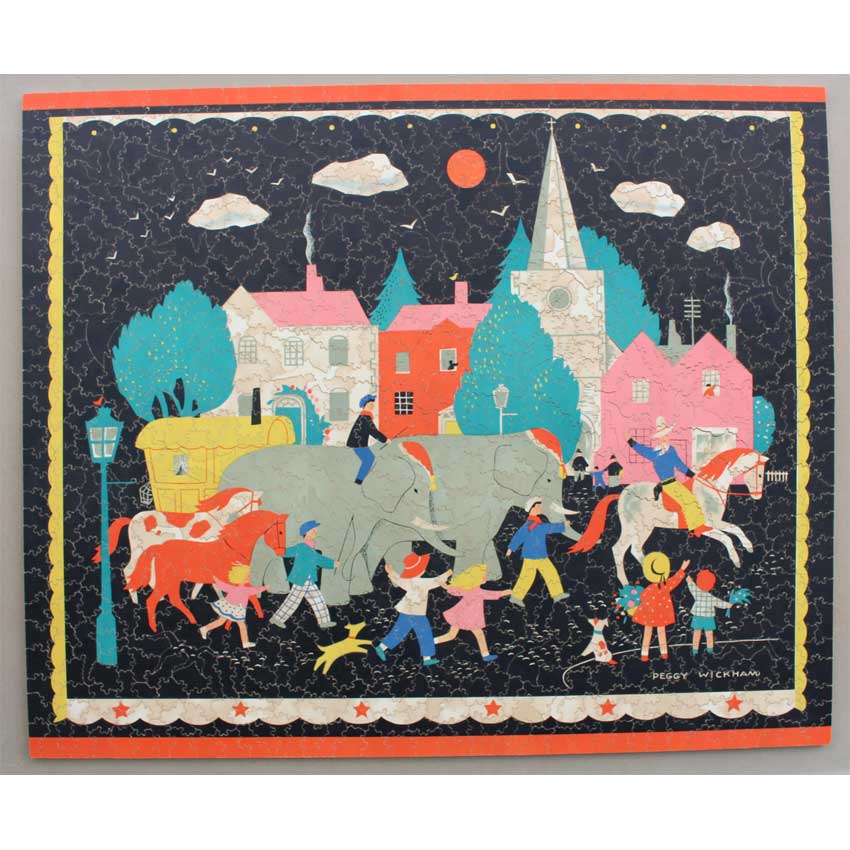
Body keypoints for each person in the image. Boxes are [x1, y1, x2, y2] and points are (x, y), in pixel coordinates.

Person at [627, 417, 712, 537]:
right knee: (688, 501)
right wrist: (630, 441)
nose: (665, 438)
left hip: (674, 483)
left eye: (666, 435)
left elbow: (679, 465)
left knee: (692, 499)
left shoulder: (671, 450)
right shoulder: (654, 452)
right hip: (668, 485)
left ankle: (698, 525)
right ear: (659, 438)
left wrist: (693, 475)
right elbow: (641, 450)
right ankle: (694, 529)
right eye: (662, 436)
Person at [374, 552, 451, 667]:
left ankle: (381, 647)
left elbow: (398, 579)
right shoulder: (423, 582)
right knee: (424, 633)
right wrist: (449, 573)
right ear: (420, 570)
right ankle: (427, 658)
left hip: (408, 612)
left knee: (399, 632)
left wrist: (390, 572)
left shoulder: (408, 581)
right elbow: (437, 580)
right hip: (417, 614)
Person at [506, 497, 580, 608]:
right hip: (531, 556)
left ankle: (557, 594)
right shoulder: (529, 525)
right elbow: (519, 536)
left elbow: (548, 528)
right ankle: (516, 597)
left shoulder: (537, 523)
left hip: (540, 555)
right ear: (532, 508)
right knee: (527, 577)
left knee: (550, 573)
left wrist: (563, 525)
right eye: (538, 506)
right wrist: (510, 548)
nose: (541, 507)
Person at [434, 563, 511, 662]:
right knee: (477, 634)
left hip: (461, 616)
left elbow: (451, 589)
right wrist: (508, 592)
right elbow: (493, 594)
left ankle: (431, 642)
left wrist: (442, 584)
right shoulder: (478, 591)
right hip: (469, 618)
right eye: (483, 575)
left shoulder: (468, 589)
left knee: (451, 635)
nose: (485, 577)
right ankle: (485, 655)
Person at [269, 520, 338, 630]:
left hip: (309, 579)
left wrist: (332, 563)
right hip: (301, 579)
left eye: (315, 530)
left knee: (318, 599)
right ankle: (277, 619)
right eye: (313, 530)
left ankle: (324, 622)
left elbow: (319, 559)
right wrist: (279, 550)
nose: (315, 532)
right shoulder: (301, 547)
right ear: (306, 532)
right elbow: (287, 552)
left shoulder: (311, 547)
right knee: (293, 601)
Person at [633, 553, 690, 661]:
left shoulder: (649, 589)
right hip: (660, 615)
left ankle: (644, 654)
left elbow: (642, 597)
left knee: (647, 633)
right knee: (661, 633)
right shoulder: (664, 586)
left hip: (649, 615)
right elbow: (675, 580)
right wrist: (682, 569)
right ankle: (664, 653)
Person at [199, 563, 268, 649]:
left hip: (230, 607)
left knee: (222, 622)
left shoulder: (235, 587)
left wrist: (216, 579)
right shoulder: (246, 589)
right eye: (248, 576)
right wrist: (265, 587)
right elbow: (256, 590)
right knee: (241, 625)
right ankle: (245, 643)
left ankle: (204, 629)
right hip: (236, 609)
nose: (249, 577)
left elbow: (223, 586)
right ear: (242, 577)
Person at [686, 569, 734, 656]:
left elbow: (692, 587)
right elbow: (719, 603)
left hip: (700, 617)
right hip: (706, 618)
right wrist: (727, 605)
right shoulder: (708, 596)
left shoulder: (698, 593)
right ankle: (708, 650)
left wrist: (689, 581)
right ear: (711, 585)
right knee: (707, 634)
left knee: (698, 633)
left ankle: (697, 650)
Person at [346, 393, 390, 484]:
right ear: (365, 405)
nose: (373, 406)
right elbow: (373, 431)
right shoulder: (366, 417)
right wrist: (385, 440)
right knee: (369, 459)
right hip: (358, 443)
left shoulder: (364, 416)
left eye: (373, 404)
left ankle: (359, 479)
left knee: (369, 459)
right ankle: (359, 480)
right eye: (370, 404)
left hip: (358, 442)